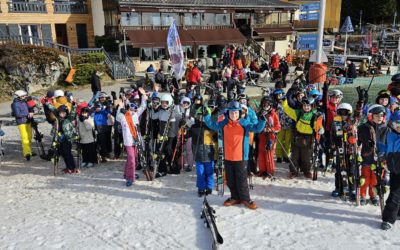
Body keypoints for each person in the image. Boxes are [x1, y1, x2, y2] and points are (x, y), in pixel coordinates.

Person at [204, 101, 266, 210]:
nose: (234, 115)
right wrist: (206, 115)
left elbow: (257, 128)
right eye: (232, 113)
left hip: (241, 157)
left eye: (236, 113)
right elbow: (212, 125)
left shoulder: (245, 124)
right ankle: (235, 197)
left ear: (240, 113)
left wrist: (262, 120)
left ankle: (246, 199)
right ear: (228, 113)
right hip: (228, 156)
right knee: (231, 179)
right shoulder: (223, 124)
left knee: (241, 179)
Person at [282, 96, 323, 179]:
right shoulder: (298, 113)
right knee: (294, 156)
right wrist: (284, 101)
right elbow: (287, 110)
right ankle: (293, 171)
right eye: (304, 105)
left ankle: (306, 171)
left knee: (306, 156)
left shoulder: (314, 116)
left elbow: (317, 126)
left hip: (308, 138)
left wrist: (321, 129)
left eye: (308, 106)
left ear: (312, 106)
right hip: (297, 136)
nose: (306, 107)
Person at [357, 104, 389, 205]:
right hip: (367, 156)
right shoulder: (363, 128)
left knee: (375, 179)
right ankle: (362, 195)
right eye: (377, 115)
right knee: (365, 178)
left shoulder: (386, 129)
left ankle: (373, 195)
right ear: (370, 116)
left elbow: (389, 143)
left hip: (380, 158)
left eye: (381, 115)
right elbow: (358, 142)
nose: (380, 117)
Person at [116, 87, 147, 186]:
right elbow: (117, 116)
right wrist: (120, 107)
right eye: (131, 109)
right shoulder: (124, 117)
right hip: (128, 142)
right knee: (132, 159)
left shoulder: (136, 115)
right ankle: (130, 178)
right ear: (128, 109)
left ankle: (127, 173)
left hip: (136, 141)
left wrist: (143, 95)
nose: (132, 111)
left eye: (134, 109)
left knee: (132, 159)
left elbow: (143, 106)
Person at [379, 110, 400, 230]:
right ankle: (397, 213)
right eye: (397, 125)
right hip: (394, 169)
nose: (399, 128)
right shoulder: (391, 135)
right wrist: (378, 146)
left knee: (394, 195)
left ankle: (388, 219)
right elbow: (387, 148)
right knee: (395, 192)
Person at [191, 104, 217, 196]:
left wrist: (217, 137)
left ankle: (209, 187)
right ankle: (201, 188)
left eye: (203, 116)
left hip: (209, 153)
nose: (201, 118)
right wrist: (182, 126)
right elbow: (185, 135)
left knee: (209, 171)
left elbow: (218, 137)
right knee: (200, 172)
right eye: (199, 116)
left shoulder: (211, 127)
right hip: (198, 154)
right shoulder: (194, 127)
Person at [257, 96, 281, 178]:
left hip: (270, 137)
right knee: (261, 153)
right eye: (264, 105)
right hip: (262, 136)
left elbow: (278, 127)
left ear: (270, 105)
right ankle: (262, 170)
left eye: (267, 105)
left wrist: (271, 129)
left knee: (269, 153)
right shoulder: (260, 114)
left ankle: (270, 171)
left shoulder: (273, 114)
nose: (266, 106)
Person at [56, 105, 79, 174]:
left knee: (68, 153)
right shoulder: (58, 119)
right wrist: (47, 103)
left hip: (67, 139)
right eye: (60, 113)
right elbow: (53, 109)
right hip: (60, 139)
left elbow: (72, 113)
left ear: (66, 113)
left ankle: (73, 167)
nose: (62, 114)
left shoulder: (69, 119)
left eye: (63, 113)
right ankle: (68, 167)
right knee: (63, 153)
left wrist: (74, 105)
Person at [11, 90, 34, 160]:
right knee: (25, 138)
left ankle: (30, 151)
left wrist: (31, 111)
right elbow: (17, 114)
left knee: (29, 137)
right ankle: (27, 153)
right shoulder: (15, 104)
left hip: (28, 121)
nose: (25, 97)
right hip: (21, 123)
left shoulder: (24, 101)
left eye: (25, 95)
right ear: (18, 97)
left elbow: (30, 108)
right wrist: (28, 114)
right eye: (23, 96)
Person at [273, 89, 295, 163]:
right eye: (278, 95)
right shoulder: (276, 104)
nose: (279, 97)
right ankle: (279, 156)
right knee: (280, 141)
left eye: (280, 95)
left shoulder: (288, 102)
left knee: (287, 141)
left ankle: (286, 155)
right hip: (281, 125)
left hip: (289, 124)